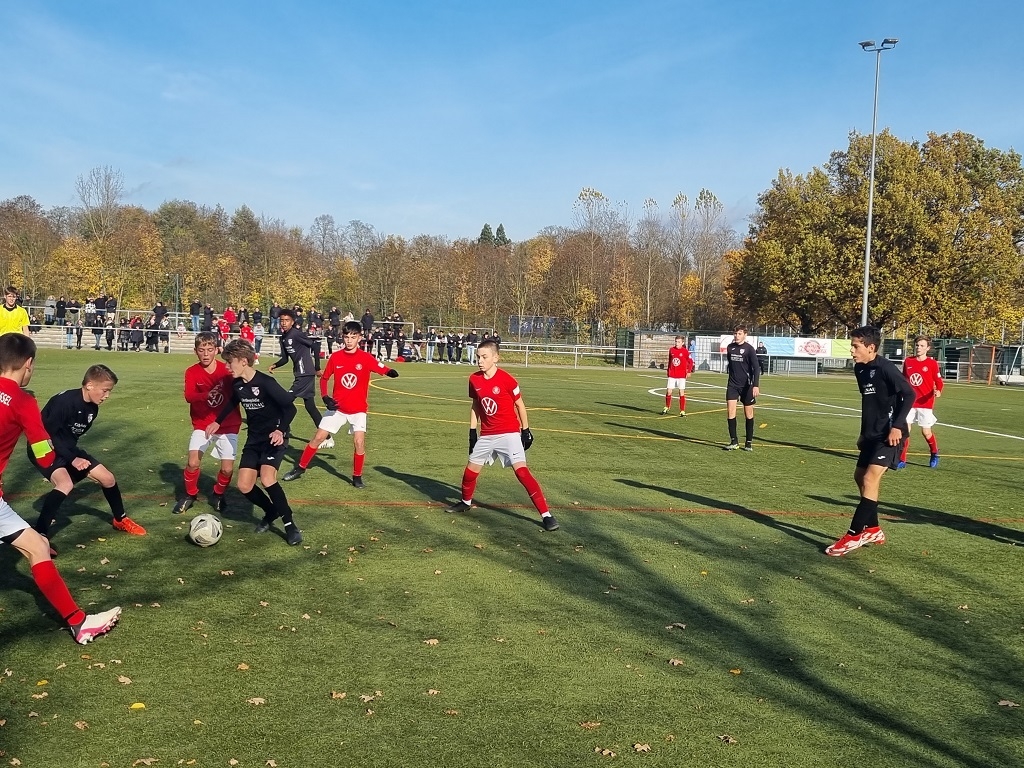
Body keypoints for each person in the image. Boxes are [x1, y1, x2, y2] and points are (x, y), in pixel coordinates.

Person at [0, 334, 121, 644]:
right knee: (38, 549)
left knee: (38, 546)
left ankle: (79, 622)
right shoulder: (23, 401)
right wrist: (58, 462)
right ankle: (80, 624)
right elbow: (43, 452)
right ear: (28, 364)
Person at [444, 339, 559, 531]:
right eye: (478, 357)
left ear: (496, 358)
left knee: (522, 473)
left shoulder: (507, 380)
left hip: (509, 434)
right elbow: (476, 405)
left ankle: (546, 515)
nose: (480, 361)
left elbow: (520, 405)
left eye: (484, 357)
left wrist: (526, 430)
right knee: (470, 472)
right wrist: (472, 432)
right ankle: (465, 502)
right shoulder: (474, 379)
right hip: (487, 435)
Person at [30, 364, 147, 551]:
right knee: (65, 484)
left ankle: (120, 519)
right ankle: (40, 535)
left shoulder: (93, 408)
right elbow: (47, 436)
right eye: (105, 390)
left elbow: (69, 439)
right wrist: (73, 460)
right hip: (42, 446)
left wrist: (73, 457)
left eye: (110, 391)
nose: (107, 396)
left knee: (108, 478)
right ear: (90, 385)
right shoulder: (64, 402)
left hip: (66, 449)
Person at [826, 326, 915, 557]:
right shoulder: (860, 369)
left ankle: (854, 535)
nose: (852, 351)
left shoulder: (885, 368)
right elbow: (871, 405)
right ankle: (873, 529)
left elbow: (909, 394)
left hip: (890, 435)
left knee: (869, 478)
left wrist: (897, 426)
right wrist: (864, 434)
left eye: (856, 346)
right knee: (860, 477)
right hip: (871, 434)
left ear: (871, 347)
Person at [205, 339, 302, 545]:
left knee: (267, 478)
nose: (227, 366)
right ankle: (271, 511)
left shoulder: (266, 383)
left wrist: (280, 430)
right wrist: (217, 422)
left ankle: (290, 525)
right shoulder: (238, 384)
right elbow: (233, 401)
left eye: (230, 362)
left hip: (274, 438)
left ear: (243, 361)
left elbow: (290, 408)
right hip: (254, 439)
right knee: (244, 485)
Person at [282, 322, 399, 487]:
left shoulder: (365, 358)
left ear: (359, 338)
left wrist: (389, 372)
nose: (349, 340)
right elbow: (324, 378)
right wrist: (325, 398)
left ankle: (357, 477)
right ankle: (300, 468)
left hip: (358, 410)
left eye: (353, 337)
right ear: (343, 337)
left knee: (359, 442)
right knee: (318, 437)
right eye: (346, 337)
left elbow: (381, 367)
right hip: (337, 407)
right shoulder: (336, 357)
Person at [173, 332, 242, 515]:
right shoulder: (192, 371)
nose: (205, 354)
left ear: (216, 350)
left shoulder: (227, 371)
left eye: (210, 350)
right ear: (195, 351)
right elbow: (189, 396)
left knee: (227, 469)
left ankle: (218, 494)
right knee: (193, 463)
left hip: (228, 425)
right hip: (202, 424)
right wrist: (206, 395)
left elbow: (238, 394)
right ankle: (190, 495)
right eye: (201, 350)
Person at [269, 309, 326, 443]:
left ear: (292, 322)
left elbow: (315, 347)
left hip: (306, 373)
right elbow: (285, 359)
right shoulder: (283, 338)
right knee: (310, 407)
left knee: (285, 400)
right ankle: (327, 438)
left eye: (287, 320)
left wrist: (317, 368)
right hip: (300, 374)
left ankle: (281, 430)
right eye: (282, 320)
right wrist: (275, 365)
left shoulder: (296, 334)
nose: (284, 323)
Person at [898, 335, 944, 470]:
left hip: (925, 402)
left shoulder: (932, 363)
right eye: (917, 345)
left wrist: (938, 391)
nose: (918, 348)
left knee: (926, 432)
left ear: (928, 348)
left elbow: (939, 381)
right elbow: (904, 380)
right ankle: (902, 459)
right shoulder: (908, 361)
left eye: (922, 345)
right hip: (909, 401)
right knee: (905, 431)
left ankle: (934, 452)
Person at [723, 326, 760, 451]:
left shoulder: (749, 349)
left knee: (748, 414)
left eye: (739, 333)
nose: (737, 336)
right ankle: (734, 441)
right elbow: (731, 365)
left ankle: (748, 442)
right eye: (735, 333)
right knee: (730, 412)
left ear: (745, 335)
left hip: (747, 386)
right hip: (732, 385)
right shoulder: (730, 347)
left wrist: (755, 385)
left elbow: (756, 368)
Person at [663, 336, 694, 415]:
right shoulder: (671, 350)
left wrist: (689, 371)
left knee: (681, 392)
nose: (677, 343)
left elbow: (691, 362)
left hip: (681, 375)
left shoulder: (685, 351)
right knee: (669, 391)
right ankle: (667, 406)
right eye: (676, 341)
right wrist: (668, 370)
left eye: (679, 342)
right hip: (672, 374)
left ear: (682, 343)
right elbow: (670, 361)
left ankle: (682, 410)